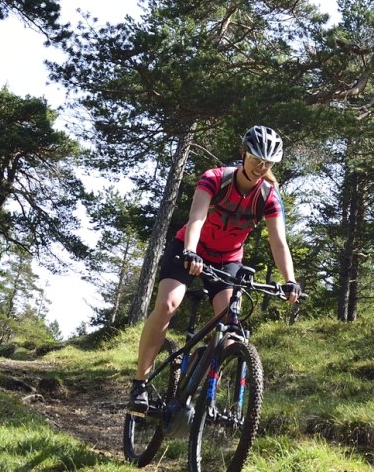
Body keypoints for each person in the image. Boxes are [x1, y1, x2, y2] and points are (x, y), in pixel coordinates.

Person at [129, 125, 301, 412]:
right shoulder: (216, 178)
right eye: (257, 159)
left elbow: (279, 242)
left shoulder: (269, 195)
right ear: (243, 153)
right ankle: (140, 383)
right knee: (168, 304)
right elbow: (196, 217)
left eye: (268, 163)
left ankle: (197, 368)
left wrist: (290, 280)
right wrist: (191, 252)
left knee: (231, 328)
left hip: (227, 259)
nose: (261, 167)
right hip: (190, 248)